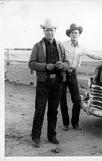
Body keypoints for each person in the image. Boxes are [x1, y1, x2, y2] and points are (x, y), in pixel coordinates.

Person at [60, 23, 102, 131]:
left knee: (76, 100)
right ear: (69, 35)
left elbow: (92, 54)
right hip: (63, 74)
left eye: (76, 33)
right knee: (62, 100)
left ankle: (75, 123)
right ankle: (66, 123)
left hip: (73, 74)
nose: (74, 35)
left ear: (79, 34)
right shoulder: (63, 45)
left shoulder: (82, 47)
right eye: (72, 33)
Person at [29, 19, 69, 148]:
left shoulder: (60, 45)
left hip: (57, 83)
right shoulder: (37, 46)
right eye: (47, 29)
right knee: (39, 110)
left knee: (53, 111)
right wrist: (46, 66)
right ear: (43, 31)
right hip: (43, 83)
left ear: (55, 31)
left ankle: (52, 136)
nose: (50, 32)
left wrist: (63, 65)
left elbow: (67, 63)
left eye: (52, 29)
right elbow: (31, 63)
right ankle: (35, 137)